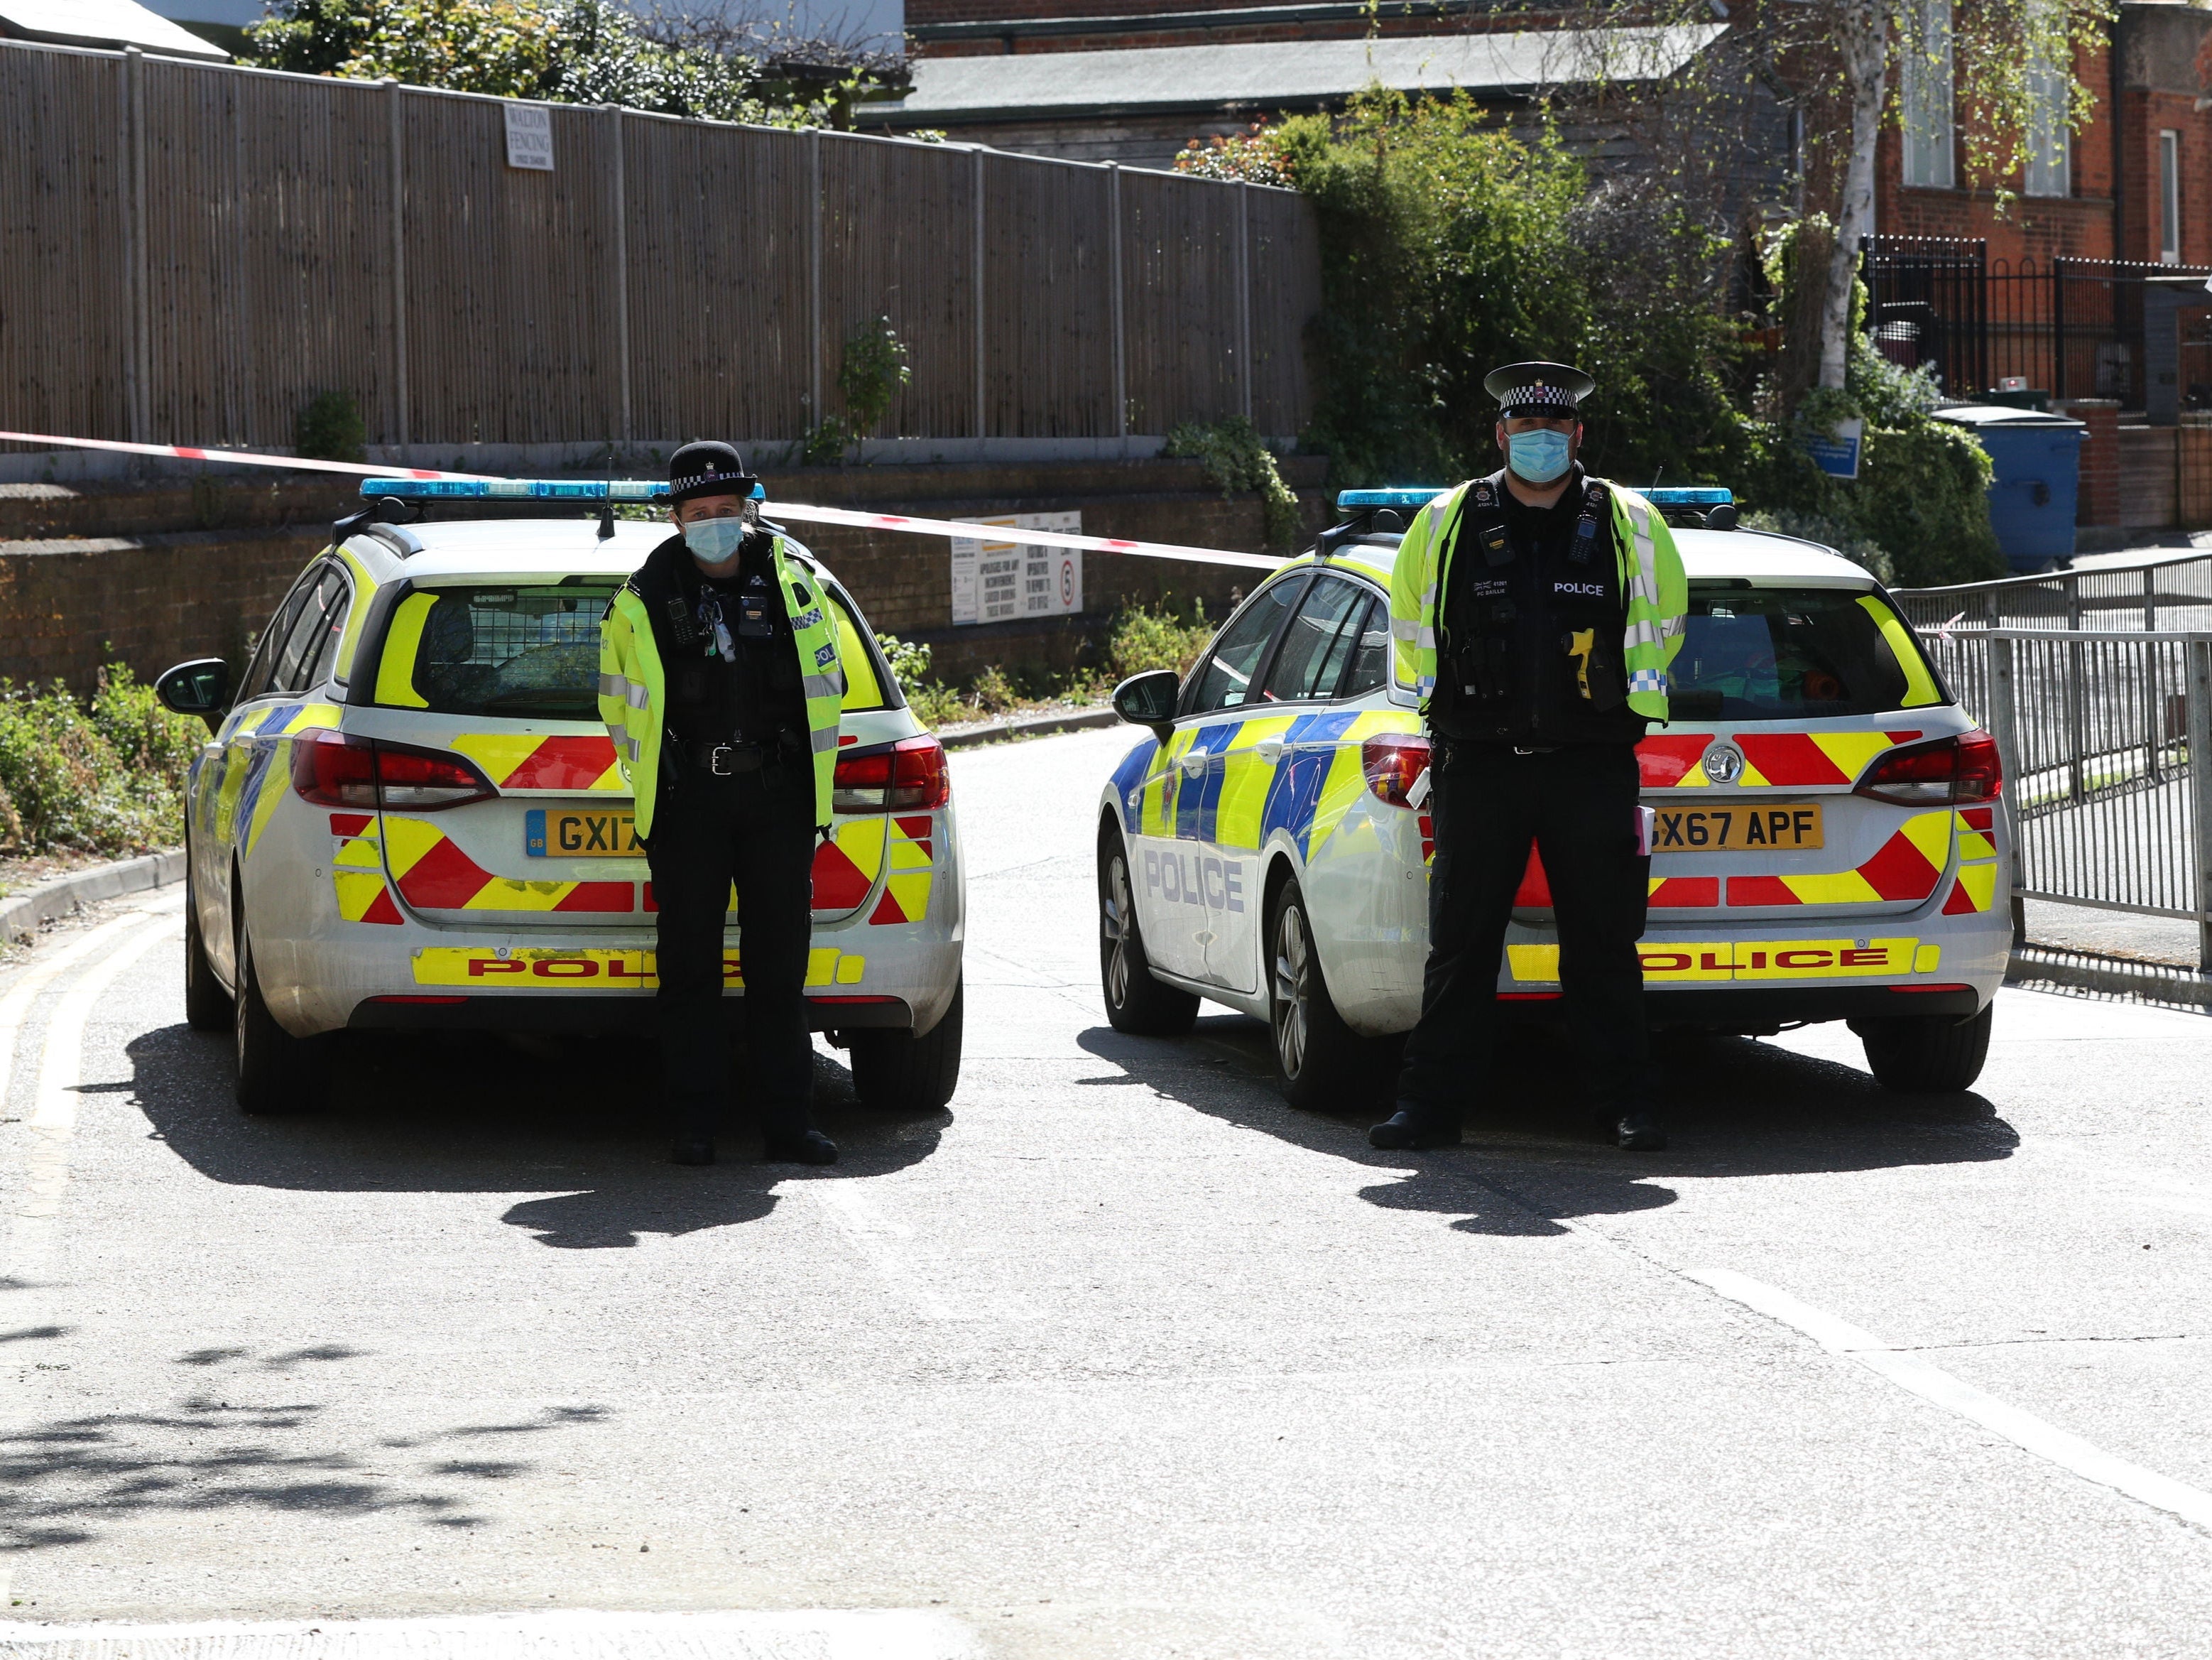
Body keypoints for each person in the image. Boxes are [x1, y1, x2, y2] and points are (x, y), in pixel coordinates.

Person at [1370, 362, 1687, 1154]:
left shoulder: (1628, 524)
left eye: (1554, 430)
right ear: (1499, 435)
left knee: (1604, 947)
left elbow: (1665, 619)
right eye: (1524, 430)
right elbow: (1410, 622)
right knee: (1461, 945)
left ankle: (1628, 1106)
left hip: (1590, 763)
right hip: (1479, 763)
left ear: (1577, 436)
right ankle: (1429, 1108)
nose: (1539, 442)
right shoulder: (1448, 522)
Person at [598, 442, 848, 1166]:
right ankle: (695, 1121)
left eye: (726, 511)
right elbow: (617, 704)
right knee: (689, 968)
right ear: (675, 518)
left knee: (779, 968)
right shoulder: (642, 599)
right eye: (699, 512)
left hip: (778, 800)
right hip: (689, 804)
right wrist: (660, 776)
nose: (714, 523)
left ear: (747, 512)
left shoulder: (794, 586)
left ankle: (788, 1124)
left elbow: (825, 683)